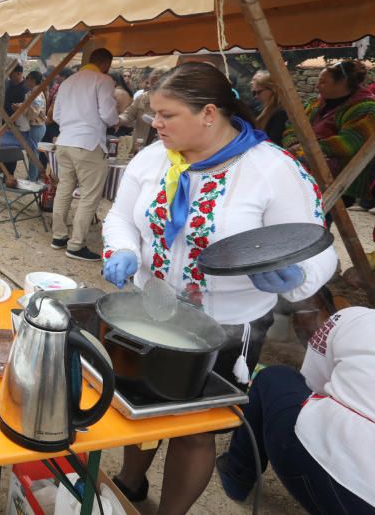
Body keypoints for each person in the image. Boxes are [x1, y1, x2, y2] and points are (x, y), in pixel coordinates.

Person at [101, 62, 337, 515]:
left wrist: (297, 276)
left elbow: (318, 248)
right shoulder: (156, 158)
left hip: (226, 324)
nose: (156, 124)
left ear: (209, 113)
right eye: (155, 114)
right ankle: (130, 485)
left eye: (167, 115)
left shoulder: (272, 170)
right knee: (141, 401)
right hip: (151, 306)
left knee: (195, 428)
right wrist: (122, 249)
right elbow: (120, 217)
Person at [216, 306, 375, 514]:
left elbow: (311, 384)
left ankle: (237, 477)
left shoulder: (357, 319)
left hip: (338, 480)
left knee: (274, 378)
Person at [50, 48, 118, 261]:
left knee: (64, 188)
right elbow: (108, 115)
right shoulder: (103, 80)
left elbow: (56, 115)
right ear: (106, 64)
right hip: (88, 143)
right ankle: (76, 245)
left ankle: (58, 236)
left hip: (64, 141)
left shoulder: (68, 81)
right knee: (89, 196)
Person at [283, 60, 375, 209]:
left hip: (338, 182)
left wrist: (304, 149)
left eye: (323, 82)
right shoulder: (314, 104)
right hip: (306, 174)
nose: (317, 86)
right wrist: (293, 144)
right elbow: (292, 126)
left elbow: (349, 143)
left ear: (342, 82)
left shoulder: (366, 108)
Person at [247, 71, 288, 143]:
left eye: (259, 92)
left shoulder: (281, 113)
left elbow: (274, 141)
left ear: (273, 89)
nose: (256, 96)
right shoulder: (258, 108)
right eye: (254, 93)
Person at [23, 70, 47, 182]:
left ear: (32, 79)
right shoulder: (33, 92)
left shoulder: (36, 94)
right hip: (35, 126)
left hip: (37, 126)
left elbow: (34, 113)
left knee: (33, 153)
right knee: (31, 152)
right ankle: (33, 176)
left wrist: (21, 108)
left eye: (27, 78)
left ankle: (32, 177)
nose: (26, 80)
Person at [108, 71, 134, 136]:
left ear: (114, 81)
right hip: (126, 126)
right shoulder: (127, 93)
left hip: (116, 127)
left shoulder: (114, 92)